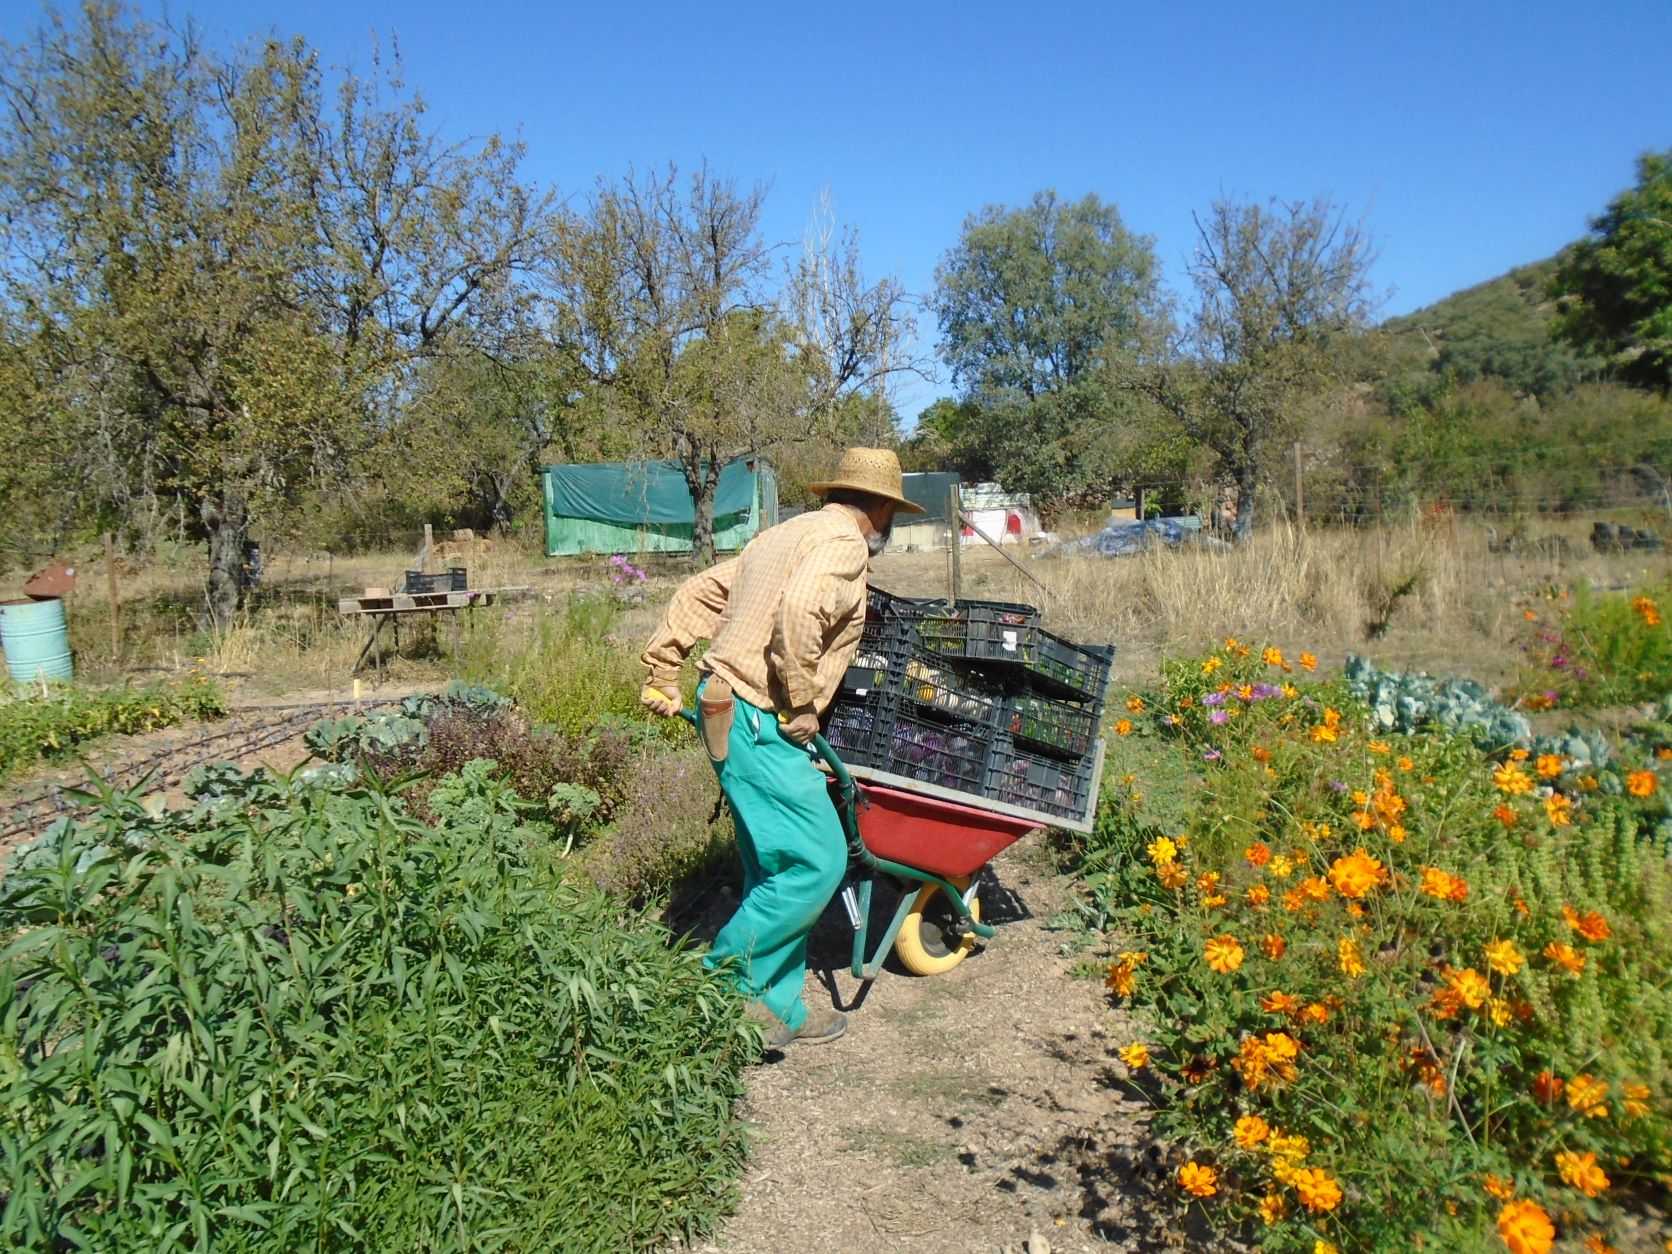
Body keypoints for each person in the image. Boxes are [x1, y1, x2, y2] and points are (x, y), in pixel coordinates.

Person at [639, 448, 924, 1048]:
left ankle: (780, 1009)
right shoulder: (845, 545)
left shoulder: (783, 533)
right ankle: (717, 993)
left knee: (773, 868)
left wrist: (665, 665)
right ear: (879, 508)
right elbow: (798, 613)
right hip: (758, 716)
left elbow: (701, 590)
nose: (889, 524)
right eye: (891, 512)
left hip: (724, 704)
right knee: (814, 863)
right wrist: (802, 703)